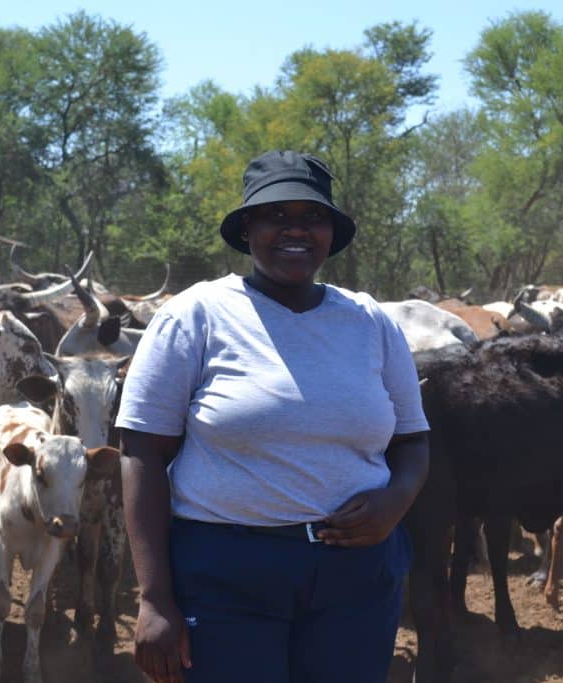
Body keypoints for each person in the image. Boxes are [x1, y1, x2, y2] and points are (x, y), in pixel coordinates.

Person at [116, 150, 430, 683]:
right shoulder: (196, 316)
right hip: (227, 572)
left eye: (313, 216)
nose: (296, 230)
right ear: (247, 229)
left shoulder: (370, 322)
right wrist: (154, 598)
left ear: (331, 232)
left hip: (356, 575)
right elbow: (141, 451)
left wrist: (395, 502)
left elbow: (413, 441)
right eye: (275, 215)